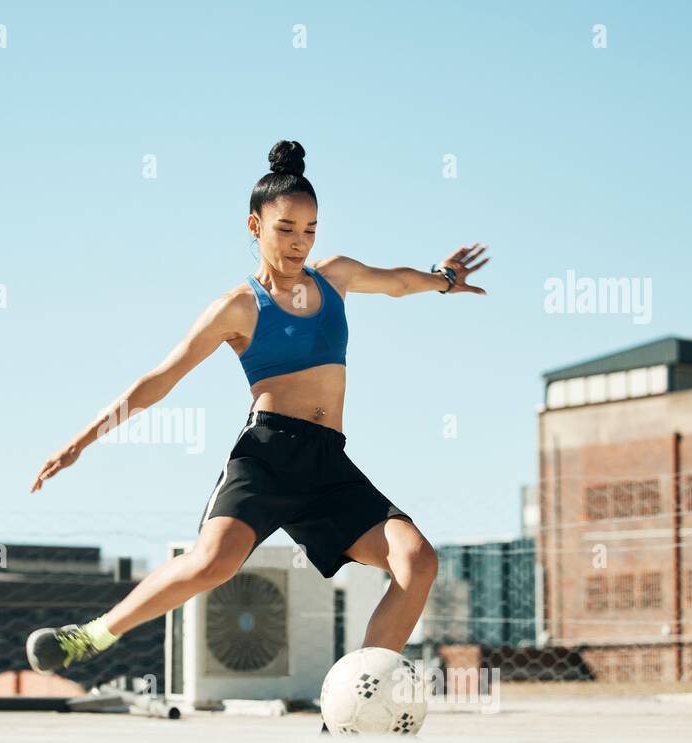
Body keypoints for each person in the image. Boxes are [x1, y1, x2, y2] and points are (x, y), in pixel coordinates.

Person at [25, 139, 489, 689]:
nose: (299, 242)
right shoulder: (239, 306)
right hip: (267, 456)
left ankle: (358, 701)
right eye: (286, 228)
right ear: (255, 225)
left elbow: (397, 283)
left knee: (418, 561)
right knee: (212, 563)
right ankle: (93, 634)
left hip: (326, 464)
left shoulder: (333, 277)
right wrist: (81, 441)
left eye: (310, 229)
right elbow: (159, 380)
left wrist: (443, 278)